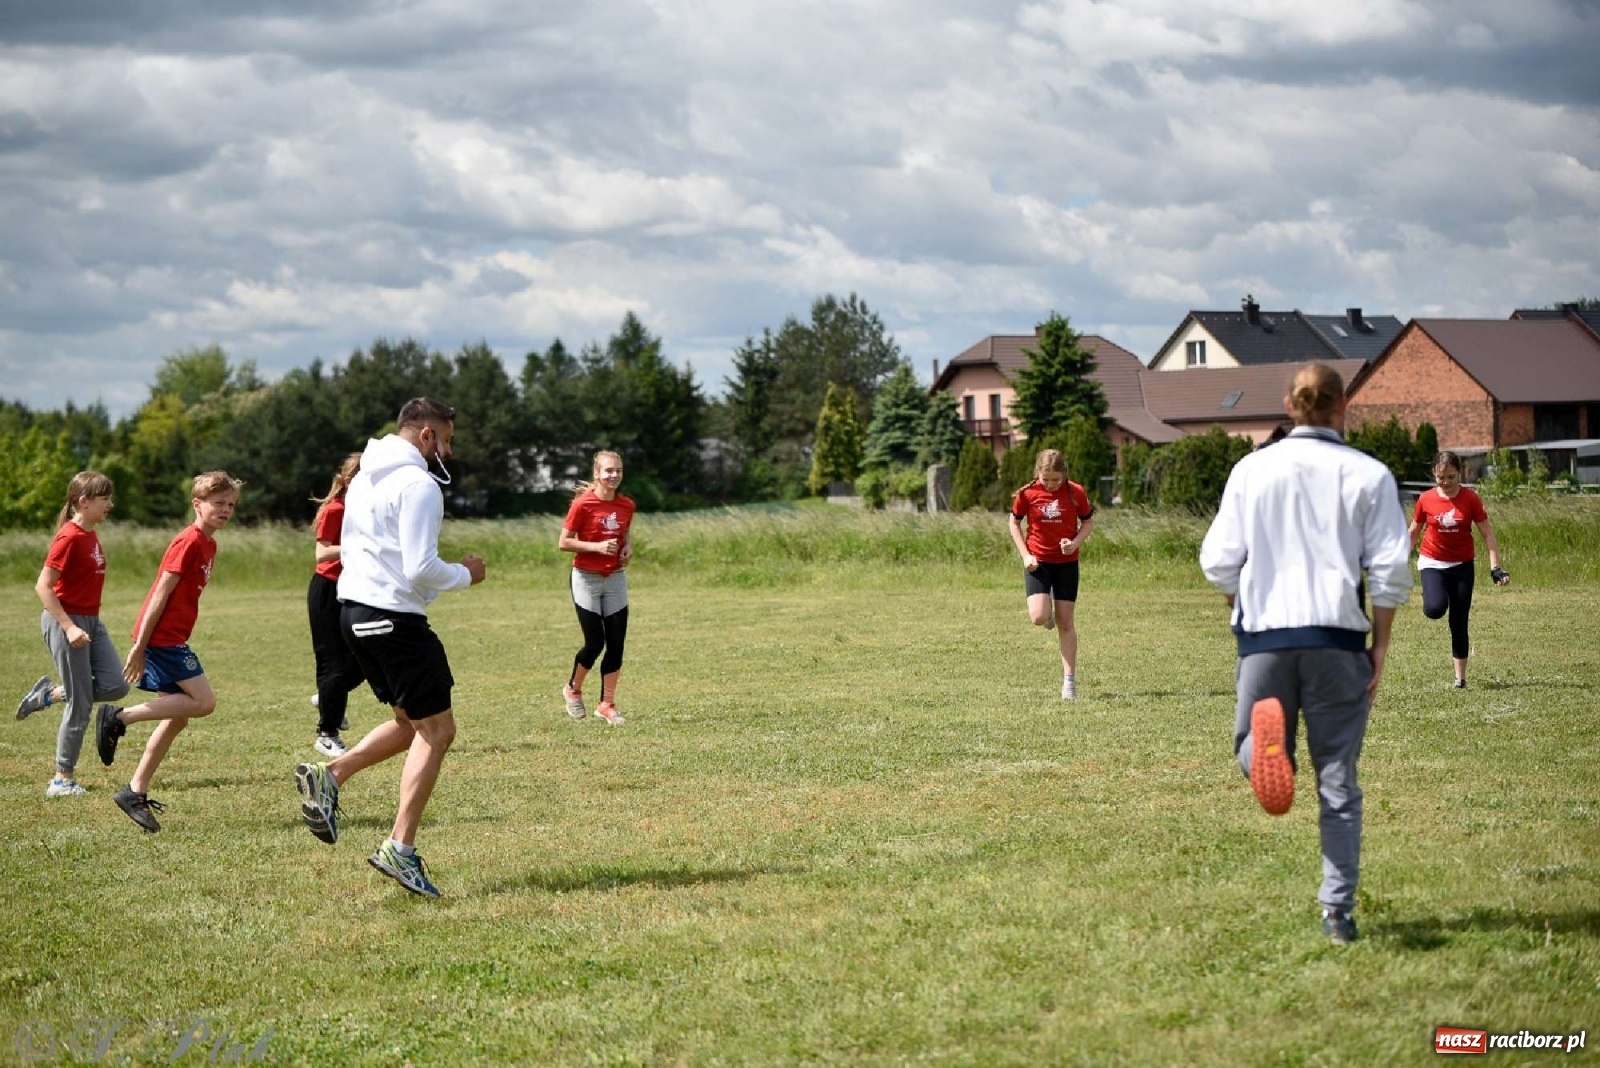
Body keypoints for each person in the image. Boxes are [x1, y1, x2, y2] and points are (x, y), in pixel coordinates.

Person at [1200, 362, 1413, 945]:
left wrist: (1237, 612)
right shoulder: (1369, 474)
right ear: (1342, 406)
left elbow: (1218, 560)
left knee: (1250, 743)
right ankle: (1337, 911)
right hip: (1336, 640)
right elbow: (1392, 570)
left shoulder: (1251, 469)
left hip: (1266, 637)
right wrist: (1381, 644)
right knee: (1340, 781)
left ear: (1289, 406)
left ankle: (1271, 758)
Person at [293, 397, 485, 899]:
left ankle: (331, 775)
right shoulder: (418, 484)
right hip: (392, 618)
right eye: (445, 440)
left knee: (410, 722)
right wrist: (468, 574)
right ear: (425, 435)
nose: (447, 451)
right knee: (439, 730)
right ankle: (400, 849)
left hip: (353, 613)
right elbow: (421, 566)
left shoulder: (364, 478)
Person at [97, 471, 243, 833]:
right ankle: (120, 717)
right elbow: (160, 593)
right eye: (218, 503)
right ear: (197, 504)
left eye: (230, 505)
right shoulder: (189, 541)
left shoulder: (210, 543)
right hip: (162, 639)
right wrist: (140, 646)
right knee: (204, 702)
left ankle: (134, 791)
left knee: (176, 717)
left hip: (171, 636)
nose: (225, 510)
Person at [15, 471, 131, 797]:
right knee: (80, 703)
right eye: (104, 498)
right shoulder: (69, 537)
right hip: (67, 622)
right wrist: (69, 626)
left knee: (116, 685)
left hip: (91, 620)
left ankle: (49, 695)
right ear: (84, 501)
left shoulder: (90, 534)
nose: (110, 503)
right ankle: (61, 780)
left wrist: (86, 623)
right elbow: (43, 586)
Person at [1407, 450, 1509, 689]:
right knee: (1434, 609)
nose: (1445, 482)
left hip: (1463, 565)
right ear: (1434, 473)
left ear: (1459, 473)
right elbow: (1413, 532)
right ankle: (1431, 592)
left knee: (1459, 620)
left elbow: (1487, 534)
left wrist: (1496, 567)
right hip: (1432, 561)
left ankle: (1460, 679)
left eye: (1451, 477)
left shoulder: (1470, 499)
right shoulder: (1426, 499)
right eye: (1440, 477)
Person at [1007, 448, 1095, 700]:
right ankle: (1048, 614)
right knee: (1038, 617)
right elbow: (1014, 522)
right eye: (1046, 479)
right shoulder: (1027, 493)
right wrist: (1025, 555)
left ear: (1064, 474)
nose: (1052, 484)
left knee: (1066, 623)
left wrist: (1075, 542)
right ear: (1038, 474)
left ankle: (1069, 682)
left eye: (1057, 479)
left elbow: (1087, 522)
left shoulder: (1076, 492)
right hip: (1038, 562)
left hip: (1067, 563)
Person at [558, 450, 634, 726]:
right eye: (608, 471)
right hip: (586, 578)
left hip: (615, 578)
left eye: (618, 471)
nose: (613, 476)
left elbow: (624, 532)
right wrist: (596, 547)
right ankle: (573, 689)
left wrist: (627, 546)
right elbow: (564, 542)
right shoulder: (582, 505)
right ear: (597, 474)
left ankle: (606, 705)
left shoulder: (627, 505)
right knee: (595, 642)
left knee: (616, 644)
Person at [306, 452, 367, 755]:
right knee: (332, 663)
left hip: (354, 587)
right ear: (346, 480)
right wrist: (361, 546)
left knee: (367, 654)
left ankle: (329, 695)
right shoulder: (335, 509)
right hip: (328, 590)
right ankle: (327, 733)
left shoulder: (364, 510)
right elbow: (322, 554)